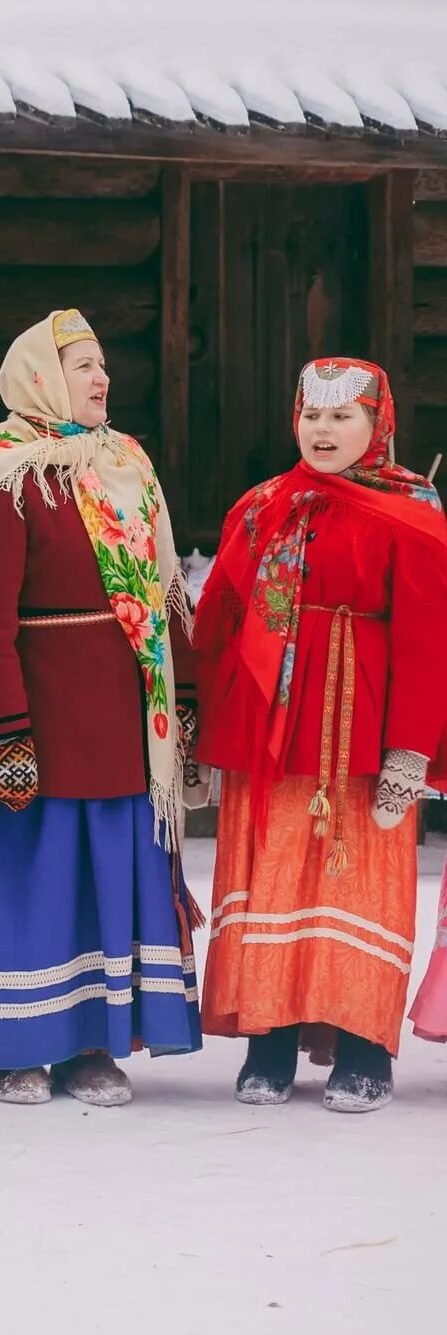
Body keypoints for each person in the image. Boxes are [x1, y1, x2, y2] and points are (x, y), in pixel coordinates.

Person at [0, 309, 204, 1105]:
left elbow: (164, 596)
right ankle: (13, 1044)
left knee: (99, 883)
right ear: (40, 380)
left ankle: (92, 1044)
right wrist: (7, 732)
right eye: (83, 366)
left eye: (101, 365)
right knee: (30, 884)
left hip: (122, 727)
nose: (101, 379)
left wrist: (182, 703)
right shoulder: (0, 474)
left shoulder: (127, 465)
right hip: (37, 727)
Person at [197, 359, 447, 1111]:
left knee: (359, 875)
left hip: (361, 727)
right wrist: (203, 733)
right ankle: (269, 1039)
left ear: (379, 425)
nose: (323, 430)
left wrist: (412, 748)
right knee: (270, 868)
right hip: (270, 730)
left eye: (343, 417)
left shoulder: (415, 511)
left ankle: (364, 1045)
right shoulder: (264, 507)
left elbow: (431, 638)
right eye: (312, 414)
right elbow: (220, 623)